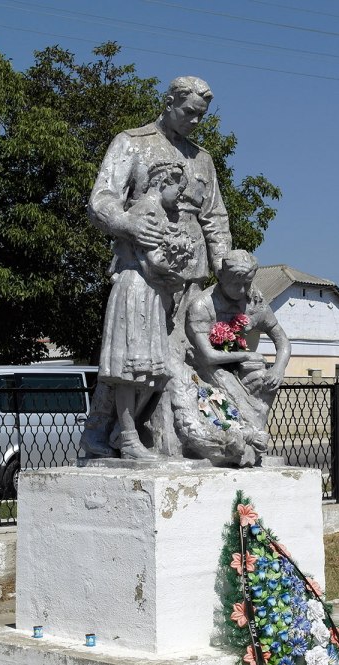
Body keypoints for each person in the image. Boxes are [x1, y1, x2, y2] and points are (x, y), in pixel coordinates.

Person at [83, 76, 232, 459]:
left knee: (174, 360)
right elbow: (101, 200)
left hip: (190, 276)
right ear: (168, 103)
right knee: (132, 353)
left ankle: (174, 436)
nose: (195, 122)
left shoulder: (202, 159)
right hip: (143, 268)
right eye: (189, 113)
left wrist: (226, 271)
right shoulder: (131, 142)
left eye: (202, 117)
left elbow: (215, 218)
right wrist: (126, 222)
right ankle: (102, 432)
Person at [95, 161, 196, 459]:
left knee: (155, 371)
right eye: (179, 188)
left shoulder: (159, 212)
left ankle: (121, 431)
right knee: (130, 370)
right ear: (164, 181)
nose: (180, 195)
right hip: (136, 289)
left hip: (150, 293)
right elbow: (154, 261)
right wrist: (179, 271)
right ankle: (127, 436)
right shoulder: (146, 211)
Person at [185, 250, 291, 431]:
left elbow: (282, 341)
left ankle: (256, 432)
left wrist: (278, 369)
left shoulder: (254, 302)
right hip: (205, 370)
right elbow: (209, 356)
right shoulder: (202, 305)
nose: (242, 290)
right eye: (236, 284)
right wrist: (246, 356)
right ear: (221, 276)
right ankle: (245, 434)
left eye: (247, 284)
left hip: (239, 369)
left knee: (264, 379)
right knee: (228, 394)